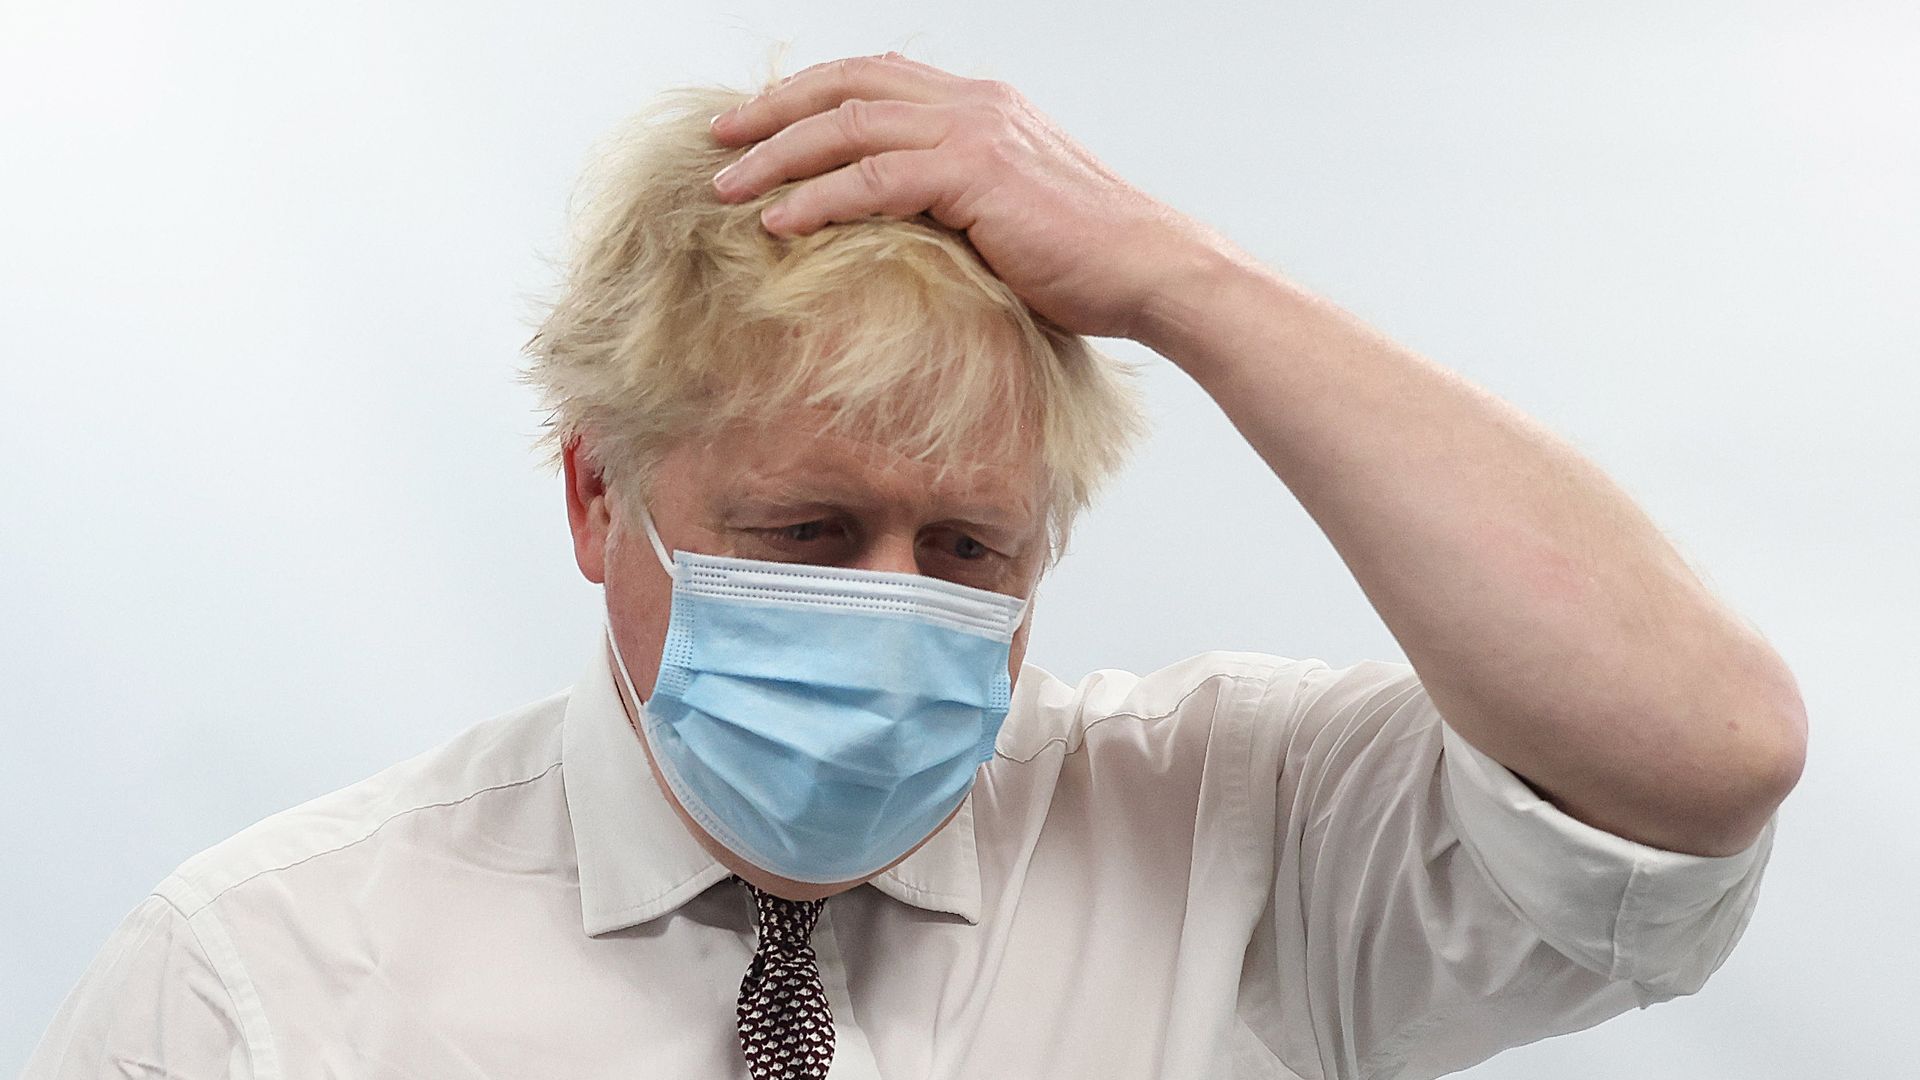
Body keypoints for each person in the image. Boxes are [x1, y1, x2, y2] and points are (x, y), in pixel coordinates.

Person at [23, 51, 1807, 1080]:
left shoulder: (1234, 837)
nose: (890, 600)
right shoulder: (257, 982)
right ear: (593, 502)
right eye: (805, 534)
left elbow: (1701, 752)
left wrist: (1183, 280)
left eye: (968, 548)